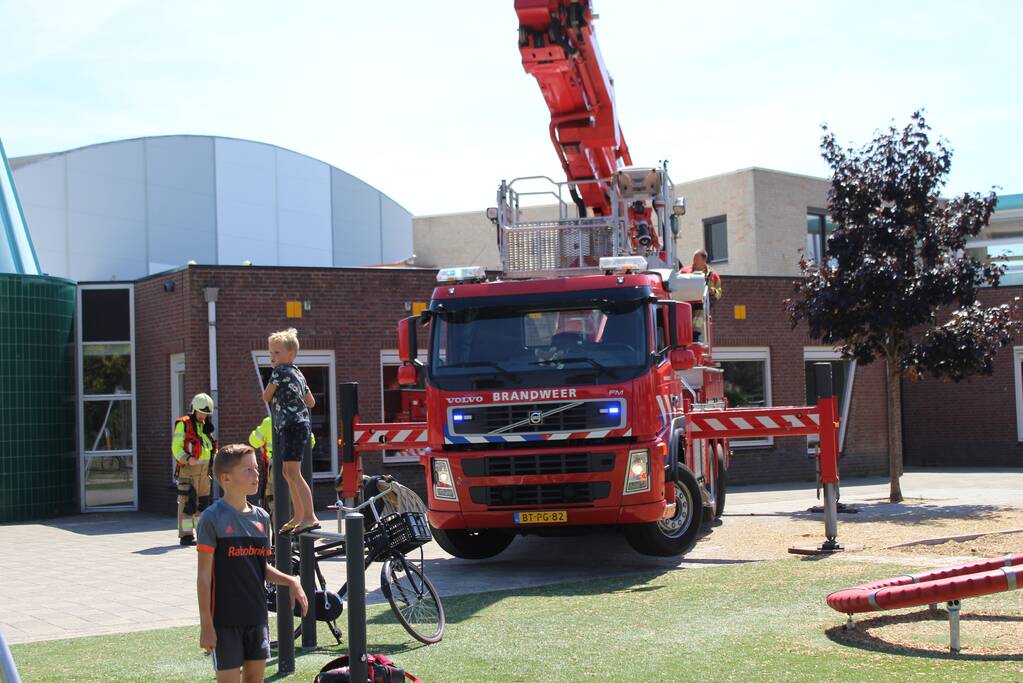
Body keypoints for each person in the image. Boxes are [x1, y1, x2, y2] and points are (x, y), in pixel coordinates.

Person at [197, 444, 308, 682]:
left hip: (257, 618)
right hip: (225, 621)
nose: (257, 474)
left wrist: (290, 581)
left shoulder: (262, 518)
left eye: (257, 468)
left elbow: (261, 568)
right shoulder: (211, 519)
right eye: (248, 470)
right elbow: (204, 578)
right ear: (226, 478)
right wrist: (206, 624)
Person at [261, 328, 319, 536]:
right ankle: (298, 515)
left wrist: (277, 390)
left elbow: (266, 396)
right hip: (297, 425)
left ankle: (309, 516)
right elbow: (311, 402)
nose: (272, 357)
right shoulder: (298, 373)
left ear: (291, 354)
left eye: (277, 353)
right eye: (271, 353)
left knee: (293, 473)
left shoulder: (280, 372)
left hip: (291, 425)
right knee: (287, 472)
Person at [247, 415, 315, 528]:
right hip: (296, 464)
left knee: (275, 500)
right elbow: (310, 443)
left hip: (275, 465)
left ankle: (279, 534)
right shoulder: (301, 421)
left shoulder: (270, 421)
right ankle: (298, 531)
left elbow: (254, 441)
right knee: (295, 498)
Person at [173, 393, 217, 546]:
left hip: (204, 473)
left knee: (202, 503)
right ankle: (185, 536)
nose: (203, 416)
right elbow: (176, 447)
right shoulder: (183, 424)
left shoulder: (205, 427)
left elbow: (209, 448)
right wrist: (187, 458)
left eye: (206, 413)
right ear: (194, 409)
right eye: (201, 412)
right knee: (187, 502)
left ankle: (201, 533)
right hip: (188, 471)